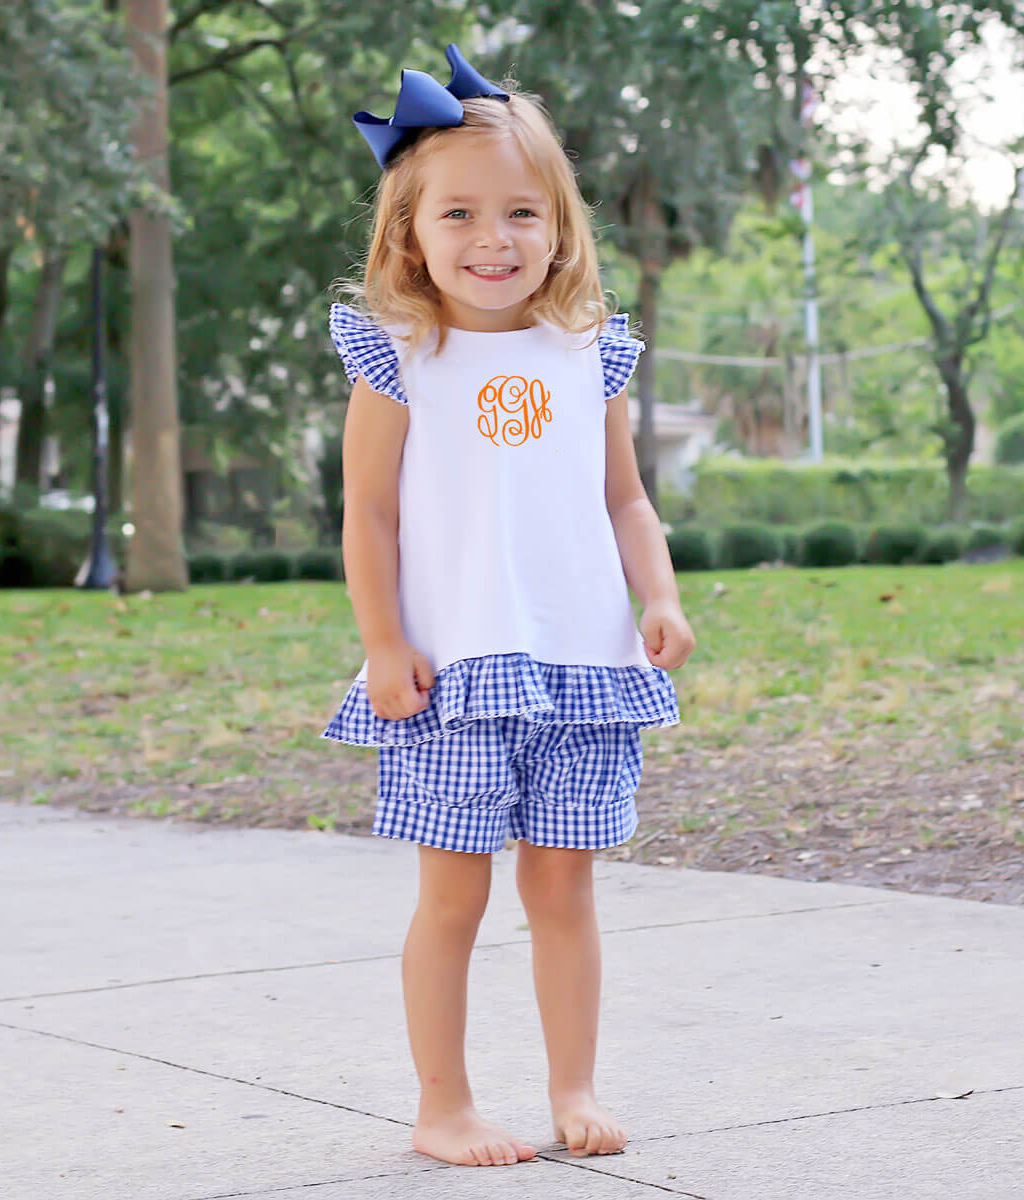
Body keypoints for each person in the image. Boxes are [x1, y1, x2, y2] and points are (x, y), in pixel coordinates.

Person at [321, 44, 696, 1169]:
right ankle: (443, 1104)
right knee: (453, 900)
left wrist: (660, 597)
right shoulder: (400, 355)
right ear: (410, 235)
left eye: (524, 212)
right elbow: (369, 515)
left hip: (583, 666)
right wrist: (383, 641)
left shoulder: (592, 354)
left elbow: (625, 499)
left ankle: (574, 1088)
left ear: (562, 228)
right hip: (454, 673)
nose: (496, 239)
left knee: (566, 886)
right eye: (463, 215)